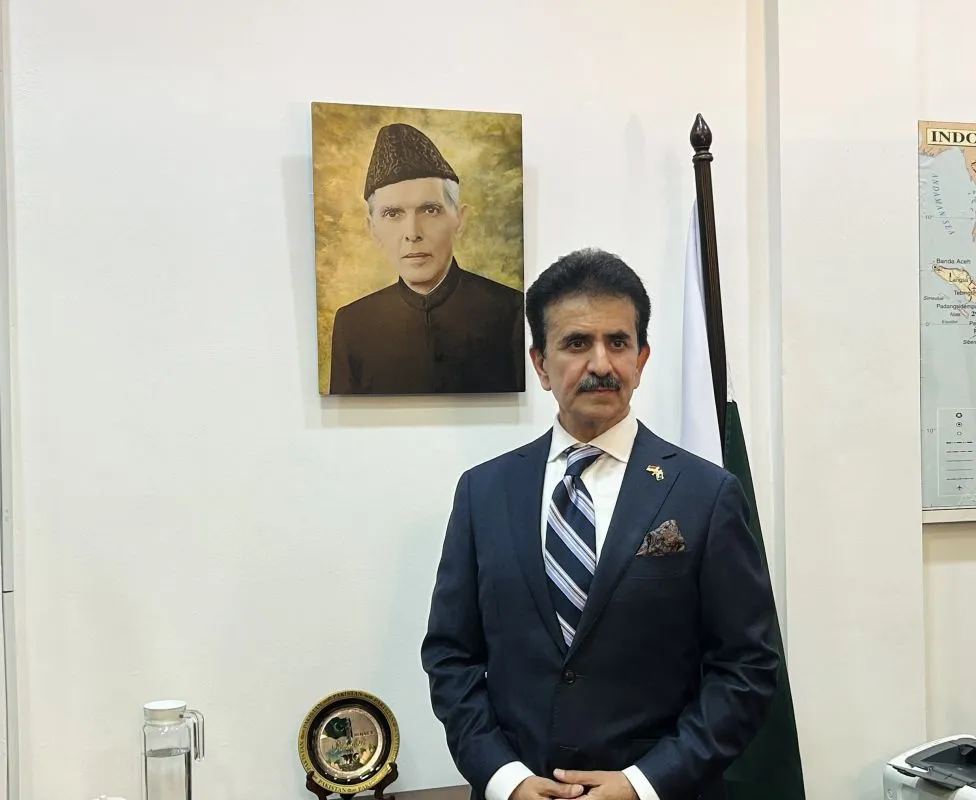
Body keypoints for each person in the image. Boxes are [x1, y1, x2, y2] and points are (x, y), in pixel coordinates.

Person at [420, 249, 780, 800]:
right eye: (576, 343)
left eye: (618, 342)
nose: (601, 364)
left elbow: (746, 668)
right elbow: (451, 657)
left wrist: (644, 783)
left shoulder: (707, 494)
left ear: (642, 358)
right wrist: (505, 779)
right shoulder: (483, 493)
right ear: (541, 364)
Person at [328, 122, 525, 395]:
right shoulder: (353, 325)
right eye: (393, 214)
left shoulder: (512, 312)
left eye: (430, 210)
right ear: (372, 229)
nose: (412, 233)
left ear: (460, 220)